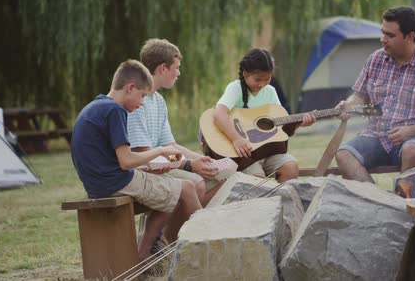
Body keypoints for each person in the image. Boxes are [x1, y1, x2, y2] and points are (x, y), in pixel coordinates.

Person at [71, 60, 202, 261]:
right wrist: (161, 150)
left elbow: (115, 161)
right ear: (130, 88)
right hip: (114, 183)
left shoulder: (96, 106)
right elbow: (125, 161)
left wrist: (146, 167)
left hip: (98, 183)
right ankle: (202, 249)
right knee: (186, 188)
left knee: (166, 183)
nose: (142, 103)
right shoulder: (115, 110)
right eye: (141, 96)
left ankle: (146, 254)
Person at [335, 6, 415, 182]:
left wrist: (412, 130)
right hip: (377, 135)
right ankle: (376, 203)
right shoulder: (375, 59)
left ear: (410, 36)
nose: (383, 39)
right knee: (344, 155)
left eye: (390, 35)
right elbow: (360, 95)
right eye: (383, 33)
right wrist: (350, 104)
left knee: (411, 151)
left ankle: (404, 206)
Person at [127, 39, 223, 207]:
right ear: (163, 68)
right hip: (143, 168)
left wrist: (202, 159)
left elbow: (170, 145)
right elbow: (144, 152)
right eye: (176, 68)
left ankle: (168, 232)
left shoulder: (159, 101)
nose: (179, 73)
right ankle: (169, 233)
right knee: (196, 183)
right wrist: (188, 164)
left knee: (214, 178)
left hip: (161, 164)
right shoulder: (136, 101)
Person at [212, 48, 316, 183]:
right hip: (243, 155)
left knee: (290, 167)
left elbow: (280, 125)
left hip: (267, 152)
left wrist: (299, 123)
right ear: (245, 74)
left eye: (267, 79)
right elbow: (219, 113)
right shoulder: (235, 88)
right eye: (258, 79)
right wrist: (237, 139)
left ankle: (283, 201)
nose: (262, 84)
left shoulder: (270, 91)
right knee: (257, 180)